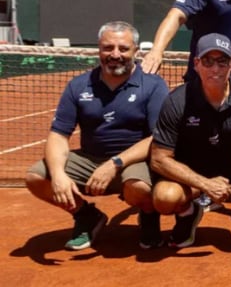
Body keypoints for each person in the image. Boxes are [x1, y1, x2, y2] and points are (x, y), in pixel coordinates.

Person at [25, 21, 169, 250]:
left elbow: (157, 138)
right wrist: (58, 174)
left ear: (136, 52)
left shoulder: (153, 85)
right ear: (98, 49)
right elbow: (58, 136)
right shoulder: (79, 85)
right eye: (107, 48)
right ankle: (86, 216)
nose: (115, 54)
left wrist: (115, 163)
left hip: (134, 161)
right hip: (90, 159)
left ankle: (149, 216)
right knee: (36, 177)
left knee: (140, 187)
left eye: (123, 49)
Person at [150, 33, 231, 259]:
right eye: (208, 61)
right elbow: (159, 158)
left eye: (222, 61)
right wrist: (205, 184)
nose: (215, 69)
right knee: (164, 197)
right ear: (196, 64)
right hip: (193, 178)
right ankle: (188, 213)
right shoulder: (177, 101)